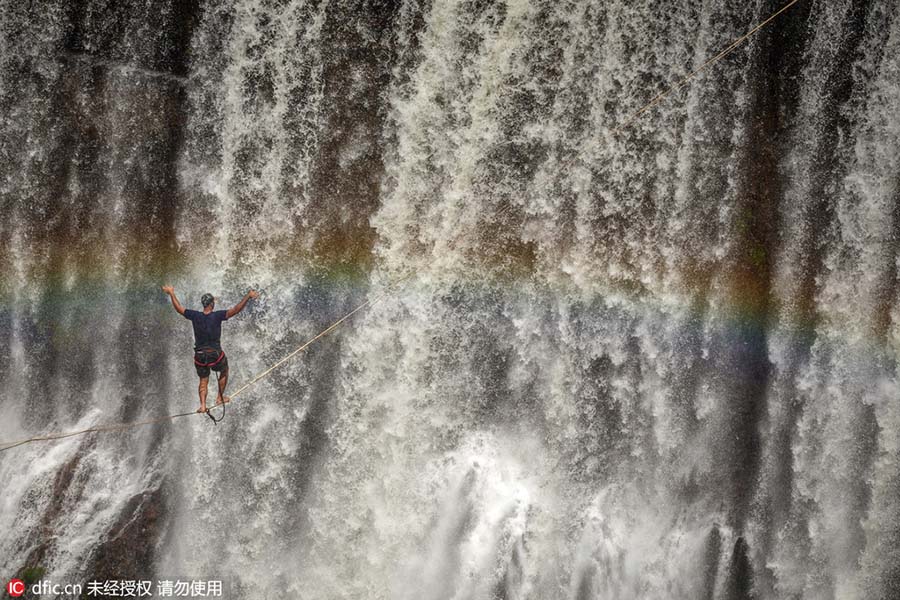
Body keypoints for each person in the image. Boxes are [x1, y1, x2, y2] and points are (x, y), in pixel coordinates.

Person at [161, 286, 259, 413]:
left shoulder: (195, 316)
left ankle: (202, 405)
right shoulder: (218, 315)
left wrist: (172, 293)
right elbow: (236, 309)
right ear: (212, 304)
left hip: (200, 356)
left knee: (203, 379)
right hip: (215, 354)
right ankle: (219, 398)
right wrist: (248, 296)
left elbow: (179, 308)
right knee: (224, 370)